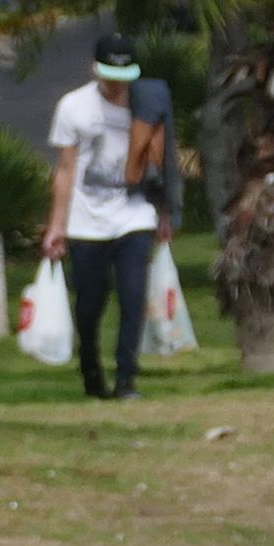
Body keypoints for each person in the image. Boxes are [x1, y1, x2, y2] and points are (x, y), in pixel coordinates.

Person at [44, 44, 165, 400]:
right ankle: (91, 374)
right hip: (86, 222)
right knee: (90, 303)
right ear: (94, 69)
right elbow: (65, 171)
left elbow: (163, 162)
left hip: (134, 214)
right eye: (110, 78)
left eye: (123, 79)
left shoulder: (148, 103)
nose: (116, 87)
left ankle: (127, 377)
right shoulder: (73, 106)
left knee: (132, 295)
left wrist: (166, 212)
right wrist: (57, 226)